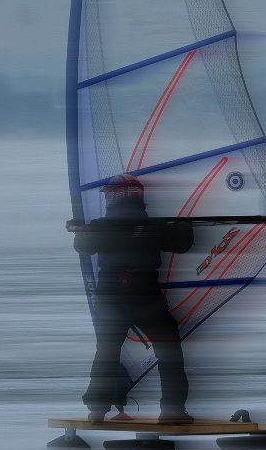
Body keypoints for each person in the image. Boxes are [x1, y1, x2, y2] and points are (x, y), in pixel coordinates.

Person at [73, 174, 195, 424]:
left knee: (106, 352)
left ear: (111, 199)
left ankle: (97, 410)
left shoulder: (99, 226)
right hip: (146, 296)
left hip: (110, 297)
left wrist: (81, 230)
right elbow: (183, 243)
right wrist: (185, 225)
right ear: (139, 198)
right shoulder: (155, 227)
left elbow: (82, 247)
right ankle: (173, 411)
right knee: (169, 352)